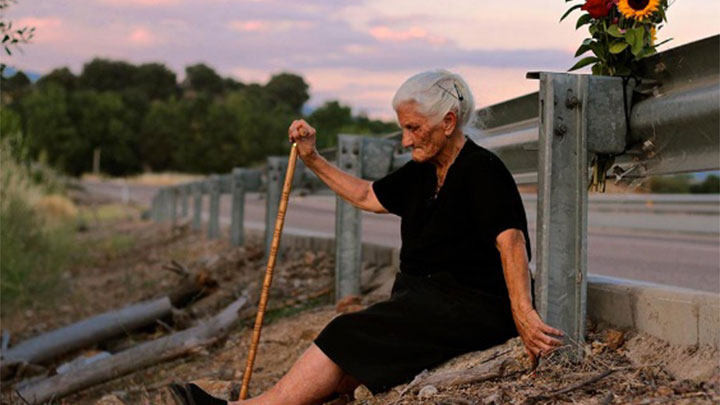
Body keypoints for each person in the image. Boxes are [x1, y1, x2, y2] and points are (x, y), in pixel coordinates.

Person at [170, 70, 563, 405]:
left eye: (413, 128)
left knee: (345, 331)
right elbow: (365, 195)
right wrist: (312, 158)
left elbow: (510, 242)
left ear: (448, 121)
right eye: (403, 129)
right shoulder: (422, 170)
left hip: (471, 307)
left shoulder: (483, 170)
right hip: (425, 302)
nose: (406, 140)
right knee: (349, 362)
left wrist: (523, 314)